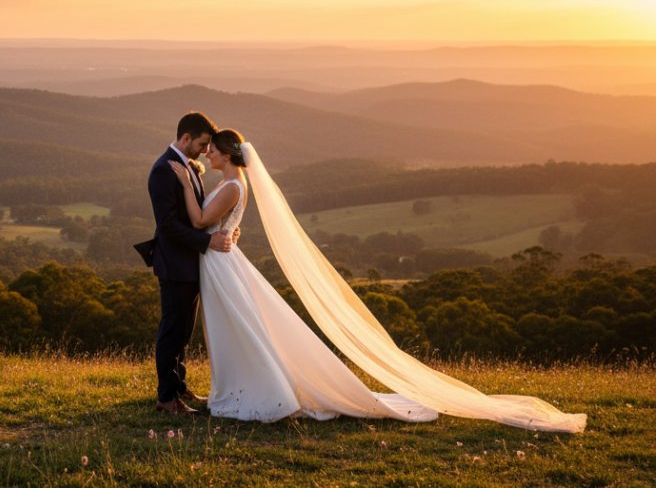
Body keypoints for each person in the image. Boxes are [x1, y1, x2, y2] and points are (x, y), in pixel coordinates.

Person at [169, 128, 586, 433]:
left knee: (238, 327)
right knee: (234, 328)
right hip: (219, 259)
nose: (208, 155)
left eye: (212, 151)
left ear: (225, 154)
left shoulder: (230, 186)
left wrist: (180, 181)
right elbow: (213, 223)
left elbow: (201, 219)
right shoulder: (230, 182)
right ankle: (236, 388)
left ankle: (253, 391)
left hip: (221, 262)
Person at [145, 112, 235, 415]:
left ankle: (179, 387)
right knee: (172, 330)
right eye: (201, 144)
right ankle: (166, 398)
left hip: (191, 263)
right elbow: (168, 225)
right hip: (175, 264)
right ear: (185, 138)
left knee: (184, 331)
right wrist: (206, 242)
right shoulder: (163, 171)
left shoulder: (187, 167)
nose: (204, 151)